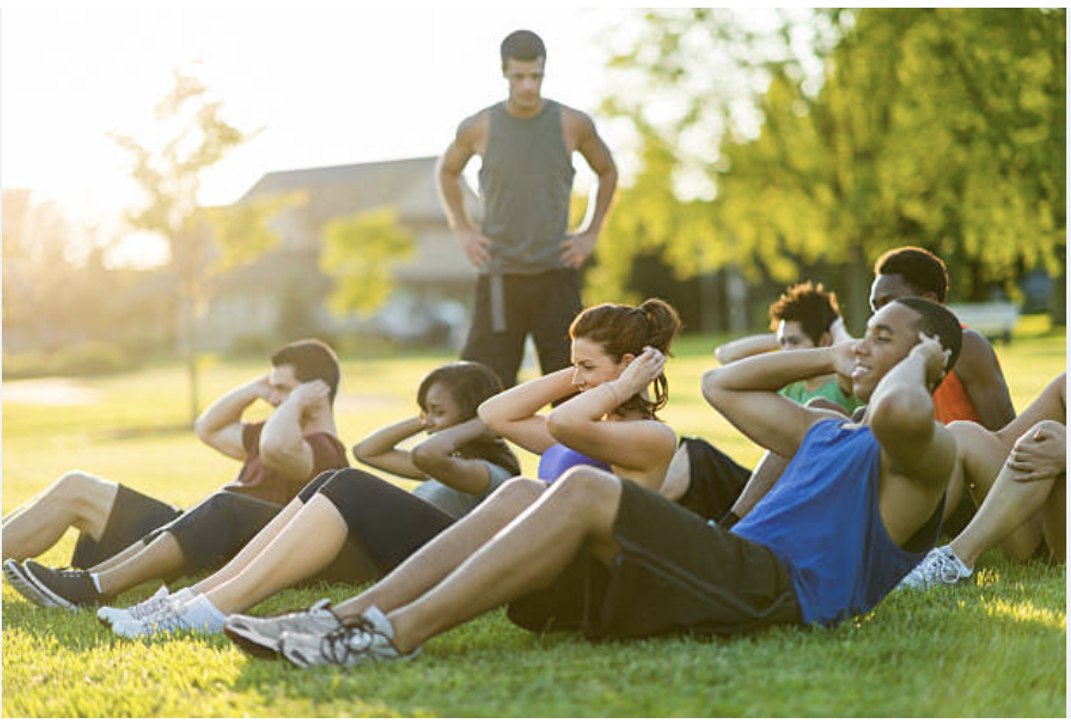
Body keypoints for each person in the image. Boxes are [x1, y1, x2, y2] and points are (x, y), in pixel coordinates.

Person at [245, 297, 962, 669]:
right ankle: (339, 620)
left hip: (780, 592)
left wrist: (920, 361)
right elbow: (723, 383)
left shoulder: (920, 457)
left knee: (584, 491)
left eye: (881, 336)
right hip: (728, 566)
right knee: (523, 493)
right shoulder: (823, 433)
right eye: (863, 332)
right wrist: (839, 354)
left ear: (929, 361)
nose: (863, 346)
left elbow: (901, 409)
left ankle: (389, 638)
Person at [220, 298, 688, 659]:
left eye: (586, 368)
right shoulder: (590, 429)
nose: (578, 379)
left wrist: (618, 385)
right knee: (522, 490)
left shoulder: (650, 437)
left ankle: (381, 632)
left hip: (595, 585)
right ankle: (345, 618)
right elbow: (495, 413)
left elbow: (566, 424)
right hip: (540, 568)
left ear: (629, 366)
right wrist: (580, 373)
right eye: (575, 367)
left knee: (525, 490)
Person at [95, 361, 521, 637]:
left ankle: (210, 609)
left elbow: (427, 453)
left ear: (473, 416)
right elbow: (368, 450)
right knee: (333, 480)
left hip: (440, 558)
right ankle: (191, 600)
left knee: (349, 484)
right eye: (425, 413)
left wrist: (482, 424)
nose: (427, 426)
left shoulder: (488, 473)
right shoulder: (446, 460)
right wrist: (427, 418)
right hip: (406, 552)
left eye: (436, 414)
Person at [3, 339, 348, 609]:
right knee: (76, 485)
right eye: (273, 388)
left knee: (77, 490)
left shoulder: (323, 449)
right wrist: (255, 389)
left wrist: (295, 402)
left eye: (283, 389)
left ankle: (88, 586)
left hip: (216, 546)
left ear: (316, 391)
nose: (273, 398)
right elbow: (208, 428)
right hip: (190, 528)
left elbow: (276, 449)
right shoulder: (273, 429)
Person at [437, 29, 618, 389]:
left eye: (535, 76)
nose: (528, 87)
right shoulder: (479, 126)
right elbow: (446, 170)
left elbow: (608, 170)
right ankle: (482, 448)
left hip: (556, 272)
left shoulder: (572, 123)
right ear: (504, 72)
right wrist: (463, 229)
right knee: (482, 384)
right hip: (500, 274)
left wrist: (590, 233)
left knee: (571, 384)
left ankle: (571, 448)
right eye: (519, 77)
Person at [870, 246, 1015, 535]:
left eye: (890, 303)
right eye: (875, 306)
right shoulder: (884, 355)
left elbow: (1005, 435)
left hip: (964, 489)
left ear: (929, 302)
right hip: (910, 481)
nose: (880, 315)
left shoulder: (966, 346)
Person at [898, 373, 1065, 589]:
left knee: (1050, 437)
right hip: (1039, 531)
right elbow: (1006, 443)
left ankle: (955, 560)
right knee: (964, 434)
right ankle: (891, 545)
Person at [714, 280, 860, 414]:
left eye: (794, 342)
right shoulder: (789, 387)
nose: (785, 351)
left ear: (824, 340)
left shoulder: (843, 383)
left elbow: (850, 356)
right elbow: (725, 355)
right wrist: (780, 338)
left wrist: (837, 328)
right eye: (783, 343)